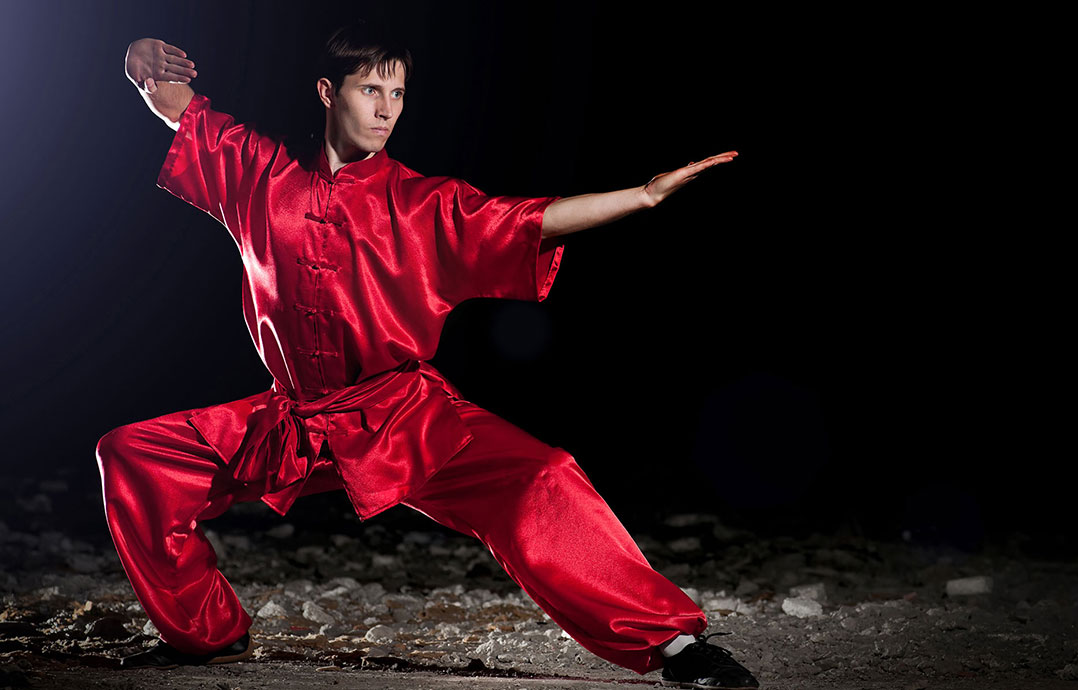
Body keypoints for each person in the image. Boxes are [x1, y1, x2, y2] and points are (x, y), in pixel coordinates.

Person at [100, 21, 756, 689]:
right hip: (294, 421)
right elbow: (180, 108)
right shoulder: (260, 174)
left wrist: (644, 196)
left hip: (400, 419)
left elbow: (534, 219)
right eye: (370, 90)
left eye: (398, 94)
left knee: (543, 475)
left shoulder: (423, 204)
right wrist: (137, 57)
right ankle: (209, 634)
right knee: (135, 456)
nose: (386, 109)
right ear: (328, 92)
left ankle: (676, 646)